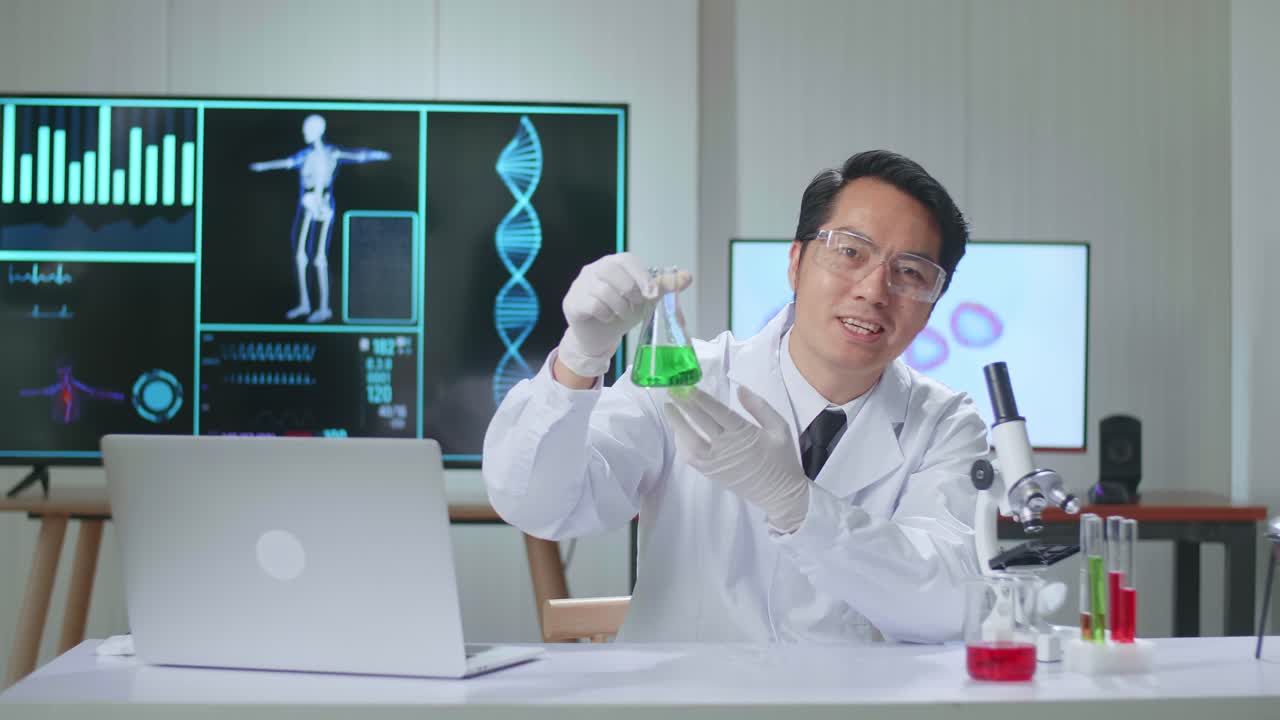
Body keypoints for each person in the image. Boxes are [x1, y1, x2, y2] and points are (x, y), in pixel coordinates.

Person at [483, 150, 988, 643]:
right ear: (796, 262)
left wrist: (796, 504)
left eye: (911, 273)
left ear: (933, 305)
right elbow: (541, 505)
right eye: (851, 251)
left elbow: (947, 606)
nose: (875, 291)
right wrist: (580, 358)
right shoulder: (684, 383)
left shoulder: (944, 423)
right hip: (688, 703)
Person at [249, 114, 390, 323]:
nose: (304, 133)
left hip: (322, 204)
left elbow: (356, 156)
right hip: (308, 202)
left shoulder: (331, 153)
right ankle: (305, 304)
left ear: (317, 131)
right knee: (300, 255)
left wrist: (378, 154)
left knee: (319, 257)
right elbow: (287, 162)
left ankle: (324, 308)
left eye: (307, 129)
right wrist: (262, 166)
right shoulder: (305, 155)